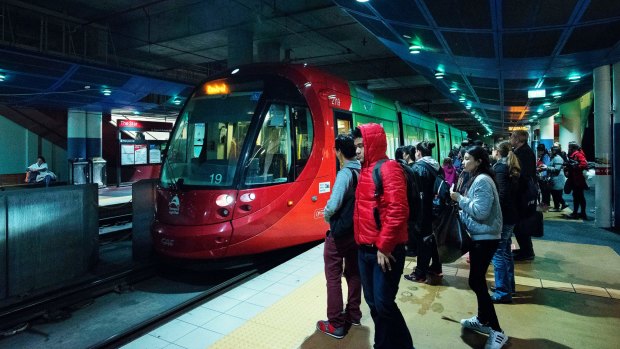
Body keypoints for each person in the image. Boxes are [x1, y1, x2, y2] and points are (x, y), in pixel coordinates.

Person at [352, 124, 414, 349]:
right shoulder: (364, 170)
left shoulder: (389, 168)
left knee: (384, 304)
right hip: (364, 250)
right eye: (356, 147)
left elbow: (398, 210)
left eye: (361, 146)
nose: (357, 151)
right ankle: (392, 344)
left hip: (385, 251)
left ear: (372, 144)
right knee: (374, 304)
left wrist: (384, 246)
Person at [450, 146, 508, 349]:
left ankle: (497, 331)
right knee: (476, 281)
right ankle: (483, 319)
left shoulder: (483, 180)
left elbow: (481, 212)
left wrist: (459, 199)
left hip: (485, 237)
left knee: (476, 281)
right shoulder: (475, 178)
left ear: (479, 161)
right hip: (479, 236)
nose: (463, 162)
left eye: (467, 159)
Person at [316, 134, 362, 339]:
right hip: (356, 231)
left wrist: (326, 215)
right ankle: (353, 314)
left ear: (339, 152)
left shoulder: (345, 173)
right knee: (353, 272)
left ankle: (335, 323)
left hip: (340, 233)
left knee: (333, 276)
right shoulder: (362, 170)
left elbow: (333, 205)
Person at [405, 141, 443, 285]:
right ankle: (436, 266)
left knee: (423, 242)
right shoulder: (436, 165)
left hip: (422, 211)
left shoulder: (418, 168)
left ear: (418, 152)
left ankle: (420, 272)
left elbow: (416, 194)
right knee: (431, 239)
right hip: (435, 209)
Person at [491, 141, 520, 304]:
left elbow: (501, 196)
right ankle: (509, 286)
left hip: (504, 217)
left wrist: (494, 214)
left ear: (497, 152)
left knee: (498, 253)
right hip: (511, 216)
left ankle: (503, 292)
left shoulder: (500, 169)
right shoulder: (511, 167)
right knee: (506, 253)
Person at [509, 130, 536, 261]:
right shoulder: (525, 151)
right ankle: (526, 250)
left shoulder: (523, 152)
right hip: (523, 194)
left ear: (518, 139)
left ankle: (527, 252)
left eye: (512, 137)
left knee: (520, 224)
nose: (510, 139)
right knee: (520, 224)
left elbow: (523, 174)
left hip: (522, 194)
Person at [565, 142, 588, 219]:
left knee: (578, 196)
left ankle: (577, 213)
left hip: (578, 180)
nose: (568, 149)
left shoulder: (578, 154)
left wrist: (574, 166)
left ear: (573, 148)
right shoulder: (575, 155)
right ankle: (581, 213)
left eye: (569, 147)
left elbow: (584, 164)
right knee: (579, 196)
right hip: (576, 179)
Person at [548, 146, 568, 211]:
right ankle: (559, 205)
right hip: (555, 178)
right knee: (554, 193)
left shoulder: (558, 158)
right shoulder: (554, 158)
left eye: (551, 150)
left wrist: (546, 168)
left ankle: (560, 205)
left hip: (558, 178)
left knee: (556, 193)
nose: (549, 151)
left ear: (554, 151)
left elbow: (557, 169)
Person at [536, 144, 551, 211]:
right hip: (543, 176)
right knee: (544, 191)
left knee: (545, 192)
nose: (538, 152)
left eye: (539, 150)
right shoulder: (544, 155)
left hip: (544, 177)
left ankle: (546, 205)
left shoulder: (545, 156)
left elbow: (545, 166)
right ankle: (545, 204)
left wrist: (543, 176)